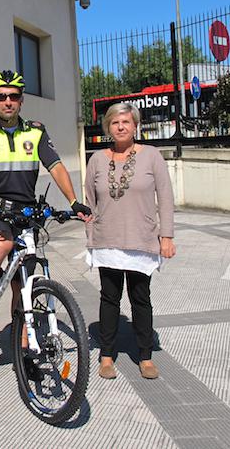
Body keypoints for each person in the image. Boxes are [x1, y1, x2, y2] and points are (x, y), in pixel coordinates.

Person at [0, 69, 92, 377]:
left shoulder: (35, 131)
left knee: (24, 286)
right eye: (1, 97)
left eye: (14, 96)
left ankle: (25, 352)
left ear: (21, 100)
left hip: (25, 213)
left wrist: (73, 201)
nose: (8, 102)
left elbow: (56, 166)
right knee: (3, 243)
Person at [84, 102, 176, 380]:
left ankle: (145, 356)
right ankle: (107, 355)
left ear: (135, 126)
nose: (120, 127)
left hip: (141, 239)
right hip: (107, 240)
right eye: (114, 122)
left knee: (140, 299)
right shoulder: (97, 159)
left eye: (126, 122)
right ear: (107, 128)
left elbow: (166, 197)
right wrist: (91, 238)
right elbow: (90, 202)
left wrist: (167, 236)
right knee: (109, 299)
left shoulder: (152, 156)